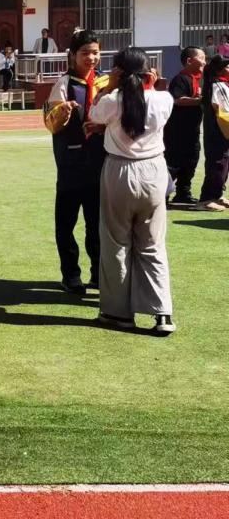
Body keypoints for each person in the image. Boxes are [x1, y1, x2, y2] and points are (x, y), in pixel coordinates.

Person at [91, 48, 176, 335]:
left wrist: (110, 87)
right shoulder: (164, 99)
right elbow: (155, 97)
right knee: (152, 243)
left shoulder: (112, 100)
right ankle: (162, 313)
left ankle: (117, 313)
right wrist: (154, 82)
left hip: (119, 170)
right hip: (154, 170)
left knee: (116, 242)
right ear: (148, 71)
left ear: (117, 72)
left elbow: (94, 115)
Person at [44, 29, 106, 295]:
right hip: (71, 166)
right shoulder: (64, 84)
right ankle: (71, 276)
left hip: (99, 164)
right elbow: (50, 123)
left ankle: (99, 274)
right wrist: (63, 110)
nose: (91, 58)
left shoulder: (106, 82)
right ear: (72, 55)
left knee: (97, 224)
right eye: (85, 53)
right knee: (66, 224)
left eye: (95, 52)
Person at [164, 47, 206, 206]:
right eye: (201, 58)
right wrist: (200, 100)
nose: (204, 62)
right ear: (189, 61)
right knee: (173, 164)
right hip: (177, 131)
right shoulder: (180, 79)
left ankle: (183, 193)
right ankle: (162, 195)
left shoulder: (197, 79)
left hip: (192, 131)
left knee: (191, 161)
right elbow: (177, 100)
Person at [197, 55, 229, 211]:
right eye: (227, 66)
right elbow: (222, 110)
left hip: (221, 130)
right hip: (219, 130)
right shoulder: (217, 86)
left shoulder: (221, 85)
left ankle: (217, 195)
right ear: (219, 71)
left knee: (223, 163)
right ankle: (206, 199)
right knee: (218, 163)